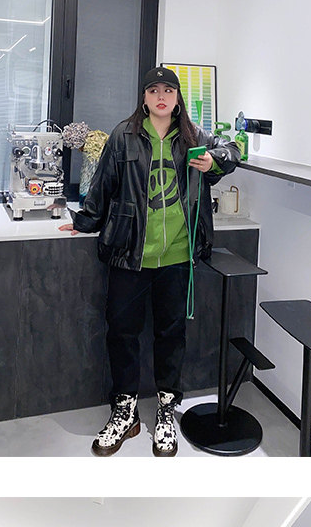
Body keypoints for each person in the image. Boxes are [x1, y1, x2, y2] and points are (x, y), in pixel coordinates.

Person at [70, 65, 238, 458]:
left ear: (177, 98)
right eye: (153, 90)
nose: (161, 97)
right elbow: (103, 185)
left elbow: (233, 151)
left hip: (177, 257)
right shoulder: (124, 136)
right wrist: (83, 221)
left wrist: (213, 161)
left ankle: (166, 409)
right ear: (144, 98)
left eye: (168, 90)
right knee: (122, 334)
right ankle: (125, 411)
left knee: (171, 335)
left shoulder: (194, 138)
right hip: (130, 254)